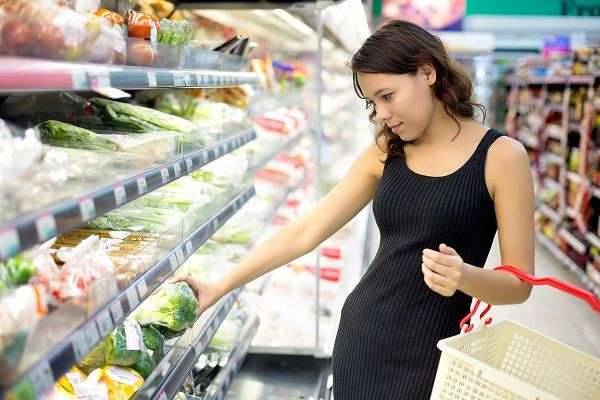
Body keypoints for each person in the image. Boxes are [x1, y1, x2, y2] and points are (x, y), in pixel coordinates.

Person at [179, 20, 535, 399]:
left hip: (434, 358)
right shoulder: (387, 151)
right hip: (361, 343)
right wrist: (220, 285)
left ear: (427, 72)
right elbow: (307, 231)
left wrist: (464, 276)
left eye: (387, 95)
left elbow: (520, 284)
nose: (381, 113)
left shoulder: (502, 157)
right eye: (372, 103)